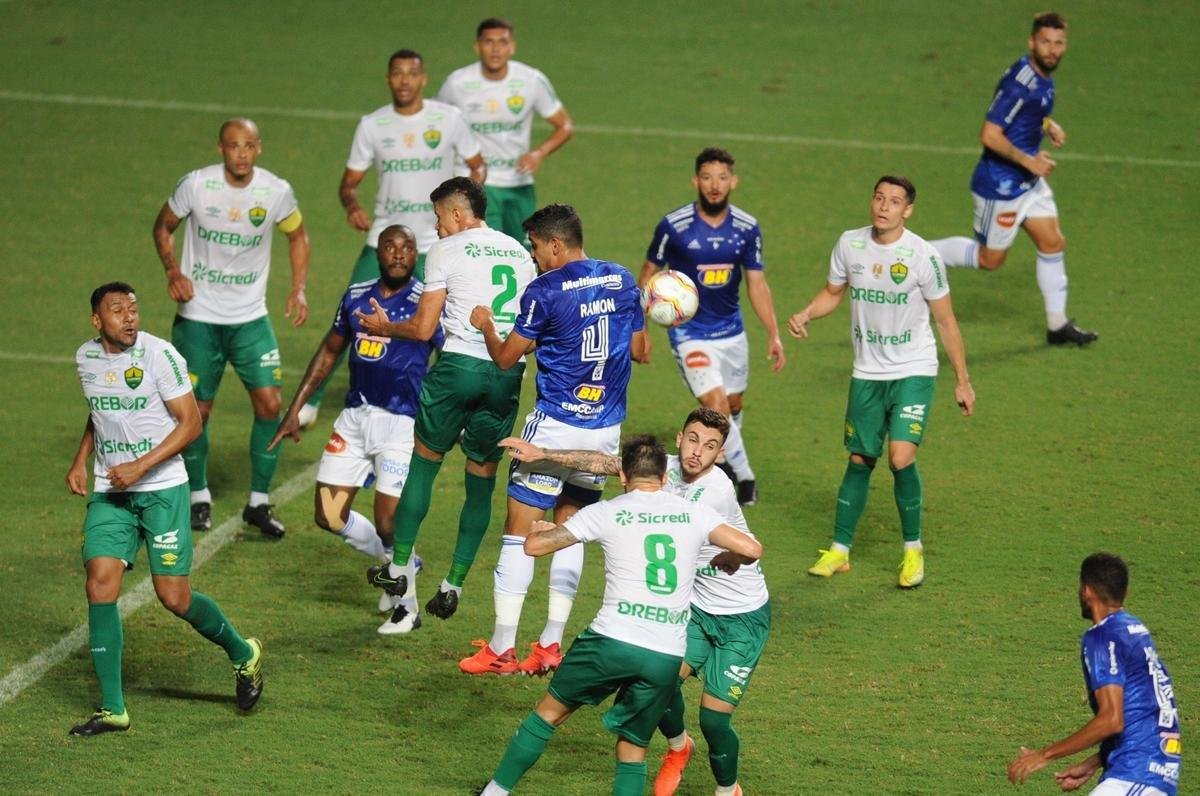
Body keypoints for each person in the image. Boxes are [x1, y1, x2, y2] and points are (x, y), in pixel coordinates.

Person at [473, 436, 763, 796]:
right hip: (665, 653)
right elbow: (752, 548)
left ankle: (495, 792)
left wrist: (542, 530)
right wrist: (732, 559)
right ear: (663, 477)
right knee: (633, 749)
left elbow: (534, 547)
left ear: (623, 475)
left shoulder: (606, 511)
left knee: (548, 714)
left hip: (610, 641)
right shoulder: (696, 513)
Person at [66, 283, 263, 737]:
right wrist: (80, 460)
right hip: (112, 491)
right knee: (99, 583)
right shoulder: (86, 358)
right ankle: (113, 709)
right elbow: (100, 413)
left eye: (133, 309)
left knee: (174, 597)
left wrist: (140, 466)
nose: (129, 317)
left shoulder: (160, 355)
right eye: (118, 310)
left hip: (162, 489)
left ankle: (243, 653)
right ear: (97, 320)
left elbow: (191, 423)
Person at [461, 203, 648, 676]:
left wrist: (486, 326)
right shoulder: (623, 279)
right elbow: (640, 350)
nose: (533, 255)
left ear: (556, 245)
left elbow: (506, 359)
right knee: (570, 530)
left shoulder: (544, 290)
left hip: (553, 428)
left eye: (536, 246)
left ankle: (502, 648)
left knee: (518, 534)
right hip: (603, 432)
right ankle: (550, 644)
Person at [356, 178, 536, 631]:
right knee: (481, 481)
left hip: (458, 367)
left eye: (438, 217)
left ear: (458, 215)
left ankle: (399, 568)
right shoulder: (519, 252)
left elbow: (422, 329)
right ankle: (454, 582)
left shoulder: (445, 250)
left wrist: (384, 328)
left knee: (423, 465)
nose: (435, 227)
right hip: (506, 372)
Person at [788, 176, 975, 588]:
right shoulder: (850, 244)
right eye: (878, 198)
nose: (883, 207)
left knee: (900, 457)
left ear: (907, 210)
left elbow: (945, 320)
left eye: (893, 201)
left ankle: (913, 551)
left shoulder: (923, 256)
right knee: (860, 458)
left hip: (914, 368)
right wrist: (806, 313)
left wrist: (962, 380)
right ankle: (839, 551)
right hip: (867, 372)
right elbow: (832, 292)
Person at [299, 48, 486, 427]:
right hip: (383, 240)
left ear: (423, 79)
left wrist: (462, 211)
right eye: (397, 74)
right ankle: (311, 401)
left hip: (435, 243)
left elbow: (477, 166)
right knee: (352, 311)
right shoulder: (373, 125)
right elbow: (348, 184)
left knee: (448, 323)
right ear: (388, 79)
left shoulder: (448, 119)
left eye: (411, 74)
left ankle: (456, 402)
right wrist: (352, 205)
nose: (404, 81)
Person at [268, 225, 442, 631]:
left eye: (407, 247)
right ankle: (398, 562)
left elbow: (449, 357)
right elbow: (329, 351)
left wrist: (444, 411)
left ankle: (407, 609)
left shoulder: (427, 303)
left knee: (389, 522)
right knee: (328, 515)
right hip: (355, 418)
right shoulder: (356, 296)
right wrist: (296, 408)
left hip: (401, 422)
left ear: (416, 254)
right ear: (377, 253)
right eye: (390, 247)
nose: (398, 254)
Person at [152, 118, 310, 538]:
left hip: (250, 318)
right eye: (233, 145)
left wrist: (298, 289)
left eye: (248, 145)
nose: (241, 153)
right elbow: (163, 226)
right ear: (220, 148)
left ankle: (258, 502)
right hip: (198, 318)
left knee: (271, 405)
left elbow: (298, 235)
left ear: (259, 148)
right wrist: (172, 272)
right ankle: (198, 497)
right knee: (196, 411)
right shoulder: (196, 185)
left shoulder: (275, 191)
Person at [929, 12, 1097, 346]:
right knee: (990, 260)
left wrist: (1048, 125)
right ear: (1032, 42)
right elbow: (989, 134)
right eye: (1045, 42)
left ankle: (1057, 326)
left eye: (1058, 43)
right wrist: (1029, 161)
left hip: (1027, 182)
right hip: (1001, 186)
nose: (1052, 50)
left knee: (1052, 243)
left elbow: (1030, 113)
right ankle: (916, 253)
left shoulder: (1041, 75)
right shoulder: (1019, 84)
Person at [641, 148, 786, 506]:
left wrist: (773, 332)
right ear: (696, 180)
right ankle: (745, 477)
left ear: (733, 181)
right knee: (717, 407)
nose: (714, 185)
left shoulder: (746, 228)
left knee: (733, 404)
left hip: (731, 332)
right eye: (707, 177)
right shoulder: (674, 226)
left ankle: (723, 458)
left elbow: (757, 284)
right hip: (689, 334)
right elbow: (648, 275)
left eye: (722, 178)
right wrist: (640, 329)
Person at [1007, 552, 1181, 794]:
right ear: (1125, 592)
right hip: (1148, 771)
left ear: (1087, 591)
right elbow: (1143, 708)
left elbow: (1112, 719)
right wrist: (1094, 762)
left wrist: (1043, 755)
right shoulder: (1135, 630)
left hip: (1137, 772)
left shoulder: (1102, 636)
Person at [437, 17, 574, 241]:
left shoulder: (531, 80)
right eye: (489, 42)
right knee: (485, 247)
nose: (495, 49)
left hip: (518, 183)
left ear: (512, 47)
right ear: (477, 46)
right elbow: (436, 125)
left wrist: (539, 153)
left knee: (524, 250)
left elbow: (564, 126)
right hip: (477, 185)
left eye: (502, 42)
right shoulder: (457, 84)